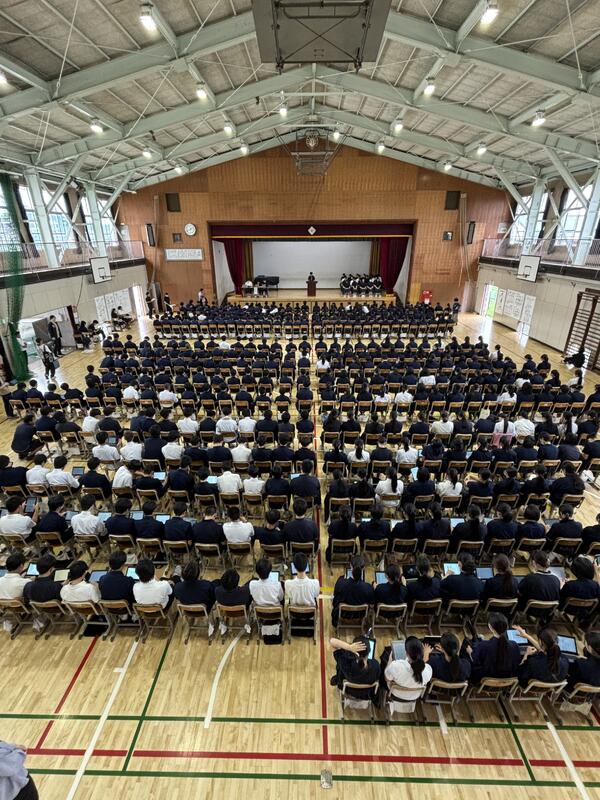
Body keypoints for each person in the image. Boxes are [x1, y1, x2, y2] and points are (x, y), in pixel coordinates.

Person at [469, 613, 521, 683]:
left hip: (485, 680)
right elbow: (517, 663)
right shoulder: (514, 645)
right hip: (508, 680)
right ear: (507, 627)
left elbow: (474, 660)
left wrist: (470, 652)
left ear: (490, 627)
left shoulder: (483, 645)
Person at [384, 637, 432, 710]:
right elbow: (421, 668)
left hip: (396, 694)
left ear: (406, 653)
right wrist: (425, 658)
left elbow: (387, 679)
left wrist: (389, 662)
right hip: (414, 696)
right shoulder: (428, 670)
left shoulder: (396, 666)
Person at [329, 635, 380, 700]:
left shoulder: (345, 663)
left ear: (354, 652)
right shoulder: (376, 665)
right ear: (369, 651)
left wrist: (349, 647)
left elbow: (332, 641)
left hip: (349, 690)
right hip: (365, 693)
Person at [331, 555, 374, 625]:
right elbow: (372, 605)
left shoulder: (341, 582)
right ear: (363, 568)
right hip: (360, 614)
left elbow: (335, 601)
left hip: (343, 613)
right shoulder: (368, 588)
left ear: (351, 566)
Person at [517, 550, 561, 619]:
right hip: (548, 611)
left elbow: (519, 591)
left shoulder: (530, 578)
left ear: (534, 563)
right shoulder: (556, 579)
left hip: (530, 609)